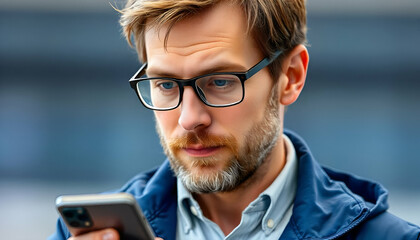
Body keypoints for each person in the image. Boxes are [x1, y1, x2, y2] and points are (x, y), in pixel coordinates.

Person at [49, 0, 420, 239]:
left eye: (221, 82)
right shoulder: (89, 233)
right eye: (165, 84)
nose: (190, 119)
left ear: (290, 77)